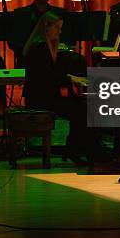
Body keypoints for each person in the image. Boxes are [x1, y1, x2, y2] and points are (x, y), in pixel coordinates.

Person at [23, 11, 106, 164]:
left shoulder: (44, 46)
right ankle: (88, 152)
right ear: (47, 28)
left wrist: (70, 78)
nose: (60, 32)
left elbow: (51, 74)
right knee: (81, 109)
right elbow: (46, 77)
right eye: (57, 28)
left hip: (45, 95)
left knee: (81, 107)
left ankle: (80, 150)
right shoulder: (39, 48)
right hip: (39, 98)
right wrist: (71, 78)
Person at [10, 0, 67, 66]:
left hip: (55, 56)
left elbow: (66, 36)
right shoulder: (21, 14)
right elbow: (14, 42)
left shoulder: (59, 13)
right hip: (30, 57)